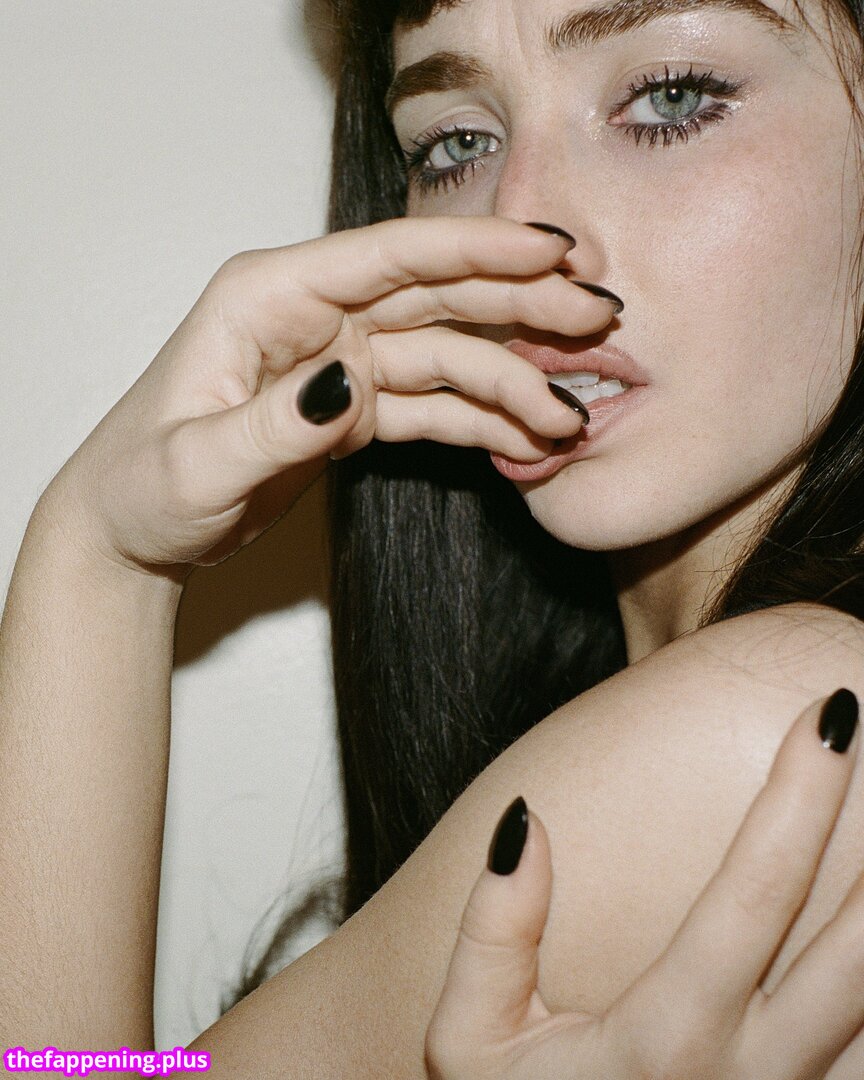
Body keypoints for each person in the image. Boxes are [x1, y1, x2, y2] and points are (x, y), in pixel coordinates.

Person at [1, 0, 863, 1075]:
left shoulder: (775, 733)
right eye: (457, 144)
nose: (520, 228)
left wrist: (97, 561)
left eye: (670, 97)